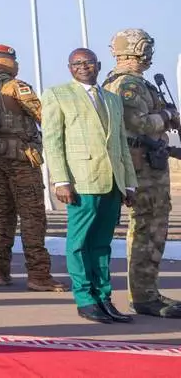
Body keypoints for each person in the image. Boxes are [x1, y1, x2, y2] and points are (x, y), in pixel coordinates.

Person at [42, 48, 137, 324]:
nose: (83, 67)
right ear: (69, 68)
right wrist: (61, 180)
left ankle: (104, 298)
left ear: (98, 65)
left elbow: (120, 144)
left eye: (88, 62)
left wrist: (129, 182)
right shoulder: (58, 95)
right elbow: (52, 141)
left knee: (102, 245)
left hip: (112, 182)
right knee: (79, 243)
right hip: (81, 182)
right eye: (77, 63)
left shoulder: (112, 99)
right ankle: (85, 299)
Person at [0, 45, 66, 291]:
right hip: (21, 159)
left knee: (3, 213)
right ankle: (39, 275)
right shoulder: (17, 87)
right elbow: (44, 116)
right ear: (10, 63)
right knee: (32, 216)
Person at [102, 29, 181, 318]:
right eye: (147, 48)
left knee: (149, 226)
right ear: (139, 50)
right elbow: (140, 123)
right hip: (144, 165)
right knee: (149, 227)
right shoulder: (128, 84)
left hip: (147, 160)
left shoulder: (125, 82)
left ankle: (147, 292)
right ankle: (144, 296)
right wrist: (168, 116)